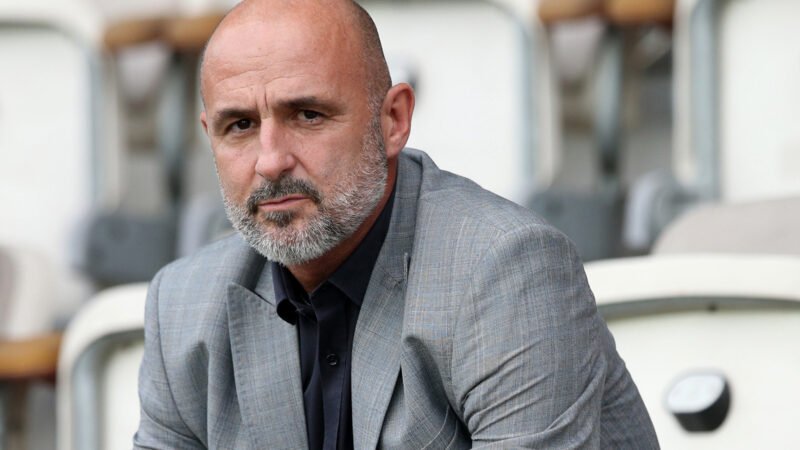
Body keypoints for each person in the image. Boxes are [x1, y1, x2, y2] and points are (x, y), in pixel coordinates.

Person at [134, 0, 659, 448]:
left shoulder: (506, 272)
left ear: (394, 120)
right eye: (240, 125)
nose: (270, 161)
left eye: (308, 115)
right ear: (209, 135)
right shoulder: (181, 305)